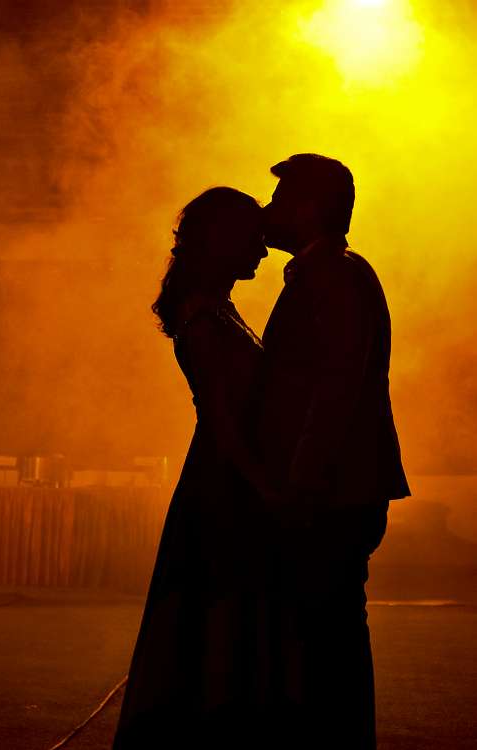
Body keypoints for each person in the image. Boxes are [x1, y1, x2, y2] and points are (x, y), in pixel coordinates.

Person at [111, 186, 286, 749]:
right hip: (224, 482)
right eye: (253, 239)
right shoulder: (205, 319)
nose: (262, 250)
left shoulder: (218, 309)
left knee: (225, 608)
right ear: (223, 241)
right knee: (219, 607)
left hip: (226, 474)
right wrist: (265, 487)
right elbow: (222, 420)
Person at [257, 153, 412, 748]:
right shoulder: (331, 274)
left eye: (279, 200)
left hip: (333, 489)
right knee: (328, 627)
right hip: (340, 485)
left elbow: (335, 390)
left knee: (328, 630)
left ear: (309, 208)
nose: (268, 211)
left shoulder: (336, 278)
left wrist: (300, 481)